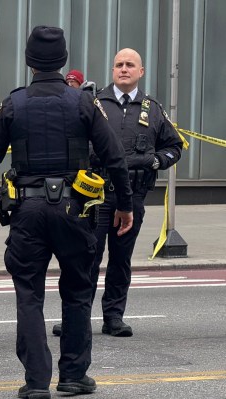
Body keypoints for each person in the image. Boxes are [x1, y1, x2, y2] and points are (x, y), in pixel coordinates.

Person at [0, 26, 134, 398]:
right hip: (74, 210)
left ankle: (36, 382)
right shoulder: (83, 102)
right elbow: (114, 157)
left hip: (27, 210)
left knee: (29, 293)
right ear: (63, 60)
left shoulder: (14, 103)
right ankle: (74, 375)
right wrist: (124, 206)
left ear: (29, 61)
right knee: (77, 290)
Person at [53, 48, 183, 339]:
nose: (124, 69)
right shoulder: (93, 103)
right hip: (95, 197)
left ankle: (114, 317)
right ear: (113, 71)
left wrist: (154, 160)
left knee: (121, 260)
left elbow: (174, 147)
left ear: (141, 72)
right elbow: (72, 142)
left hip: (133, 197)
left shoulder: (153, 110)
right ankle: (77, 316)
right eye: (119, 65)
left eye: (130, 65)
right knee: (86, 257)